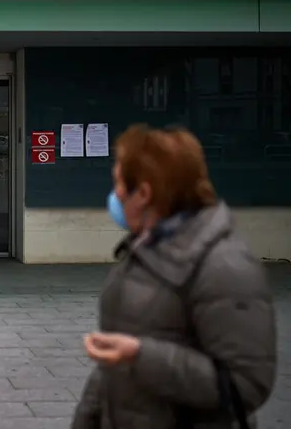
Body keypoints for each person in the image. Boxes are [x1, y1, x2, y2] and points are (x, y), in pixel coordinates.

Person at [71, 124, 277, 429]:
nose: (114, 195)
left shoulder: (225, 266)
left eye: (118, 183)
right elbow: (113, 366)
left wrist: (141, 356)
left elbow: (244, 385)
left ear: (143, 193)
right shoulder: (142, 250)